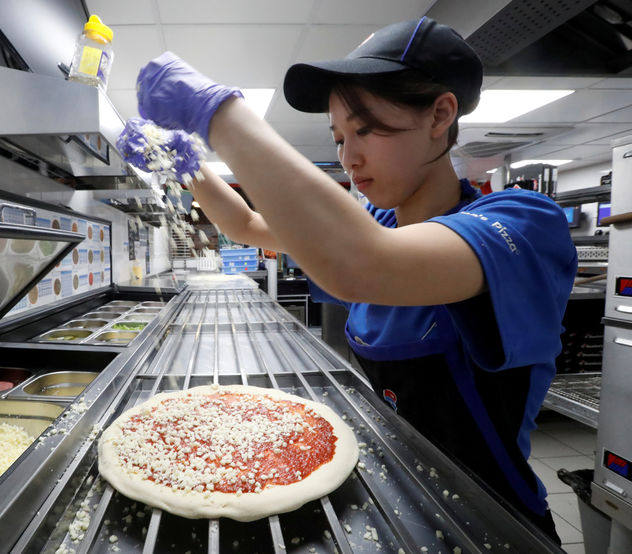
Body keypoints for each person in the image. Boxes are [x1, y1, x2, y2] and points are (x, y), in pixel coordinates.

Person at [119, 16, 576, 544]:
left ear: (440, 114)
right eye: (339, 137)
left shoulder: (522, 223)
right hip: (405, 498)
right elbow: (246, 225)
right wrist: (187, 168)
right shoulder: (379, 222)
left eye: (365, 129)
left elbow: (365, 264)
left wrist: (217, 112)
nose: (348, 157)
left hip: (492, 520)